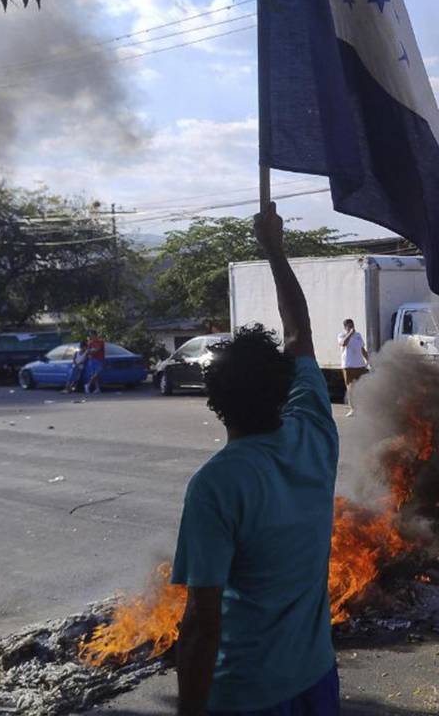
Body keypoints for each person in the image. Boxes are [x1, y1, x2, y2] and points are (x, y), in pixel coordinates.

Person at [171, 202, 340, 716]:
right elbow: (299, 335)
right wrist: (274, 250)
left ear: (214, 401)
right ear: (283, 387)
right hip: (316, 678)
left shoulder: (217, 485)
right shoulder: (316, 432)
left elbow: (202, 621)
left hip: (244, 692)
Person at [337, 318, 369, 417]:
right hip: (348, 365)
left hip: (360, 365)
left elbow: (362, 348)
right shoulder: (341, 335)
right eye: (349, 325)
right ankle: (353, 409)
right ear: (345, 327)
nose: (352, 327)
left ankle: (364, 408)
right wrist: (350, 333)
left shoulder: (358, 336)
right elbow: (343, 343)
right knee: (351, 388)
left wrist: (368, 359)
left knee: (362, 387)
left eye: (352, 325)